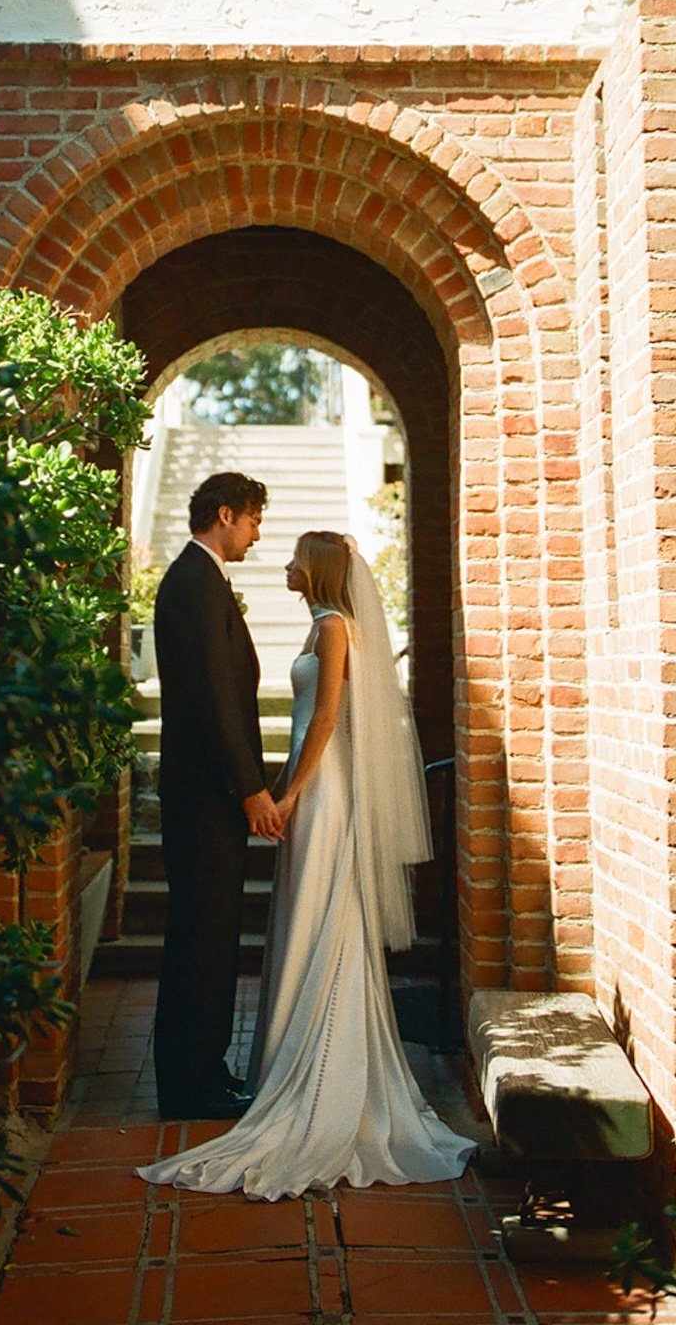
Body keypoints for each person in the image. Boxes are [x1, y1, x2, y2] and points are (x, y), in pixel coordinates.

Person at [140, 530, 475, 1198]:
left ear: (315, 571)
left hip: (322, 794)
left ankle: (317, 1064)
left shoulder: (332, 628)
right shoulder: (325, 624)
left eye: (296, 558)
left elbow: (323, 720)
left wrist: (289, 792)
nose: (285, 563)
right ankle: (289, 1057)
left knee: (321, 913)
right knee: (306, 912)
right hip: (309, 785)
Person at [151, 471, 282, 1120]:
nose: (257, 535)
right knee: (200, 941)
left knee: (210, 937)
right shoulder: (194, 584)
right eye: (254, 521)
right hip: (205, 799)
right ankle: (187, 1086)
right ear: (225, 515)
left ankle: (206, 1069)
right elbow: (213, 702)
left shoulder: (200, 580)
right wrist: (250, 789)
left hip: (207, 798)